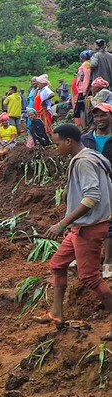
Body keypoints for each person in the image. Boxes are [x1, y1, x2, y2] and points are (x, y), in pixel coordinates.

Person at [37, 124, 112, 336]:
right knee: (58, 264)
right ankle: (56, 313)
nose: (56, 148)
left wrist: (62, 223)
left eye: (57, 143)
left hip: (89, 227)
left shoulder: (84, 163)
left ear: (68, 141)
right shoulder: (92, 156)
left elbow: (91, 197)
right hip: (81, 227)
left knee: (90, 278)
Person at [81, 104, 112, 278]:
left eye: (103, 116)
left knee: (109, 224)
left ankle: (108, 261)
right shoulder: (86, 139)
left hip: (110, 186)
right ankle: (86, 256)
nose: (99, 119)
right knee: (86, 220)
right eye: (97, 116)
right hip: (89, 186)